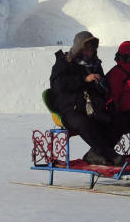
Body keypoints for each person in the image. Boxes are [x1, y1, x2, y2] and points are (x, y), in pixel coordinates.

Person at [49, 30, 124, 166]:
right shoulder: (64, 63)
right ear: (78, 49)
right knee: (85, 124)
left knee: (117, 121)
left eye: (91, 49)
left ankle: (94, 154)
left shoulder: (95, 64)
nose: (89, 53)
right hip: (70, 109)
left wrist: (102, 85)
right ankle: (109, 154)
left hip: (92, 107)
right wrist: (84, 79)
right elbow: (58, 85)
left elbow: (103, 89)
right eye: (85, 49)